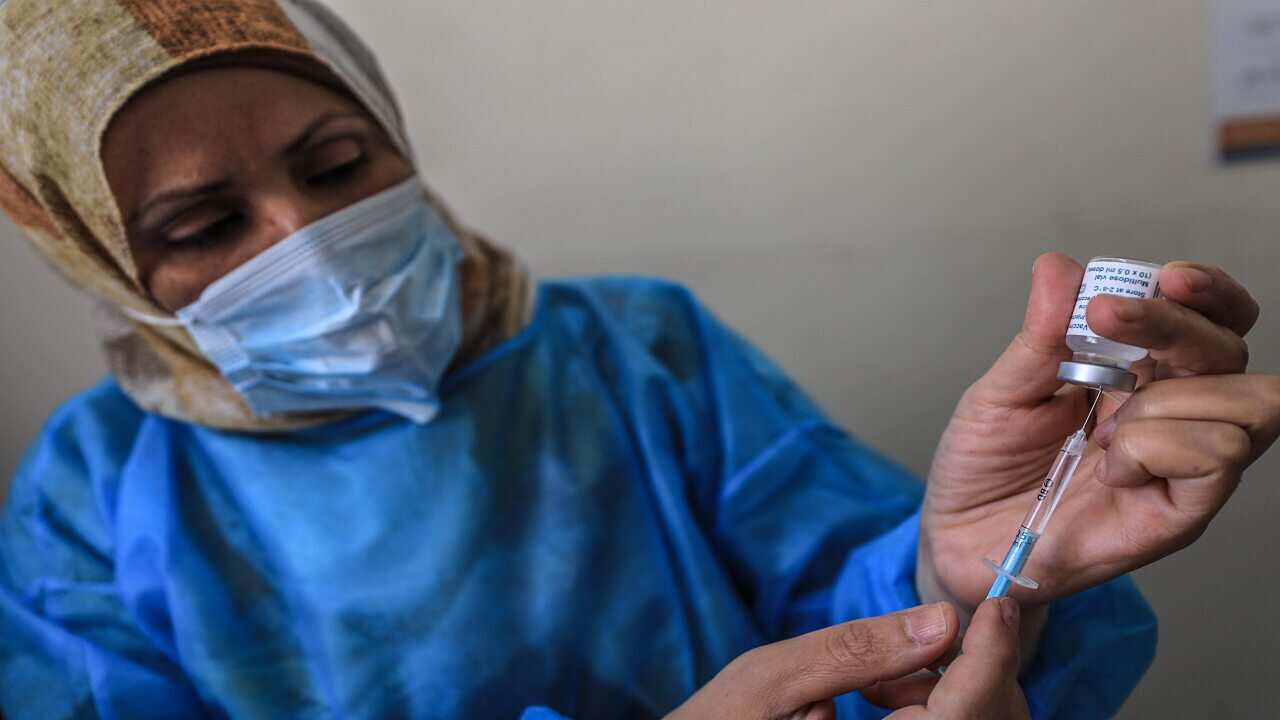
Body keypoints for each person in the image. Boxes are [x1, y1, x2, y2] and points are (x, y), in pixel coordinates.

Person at [0, 2, 1276, 718]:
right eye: (202, 226)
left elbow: (853, 608)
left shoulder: (635, 349)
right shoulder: (93, 493)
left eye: (339, 166)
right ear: (101, 260)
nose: (313, 243)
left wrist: (968, 571)